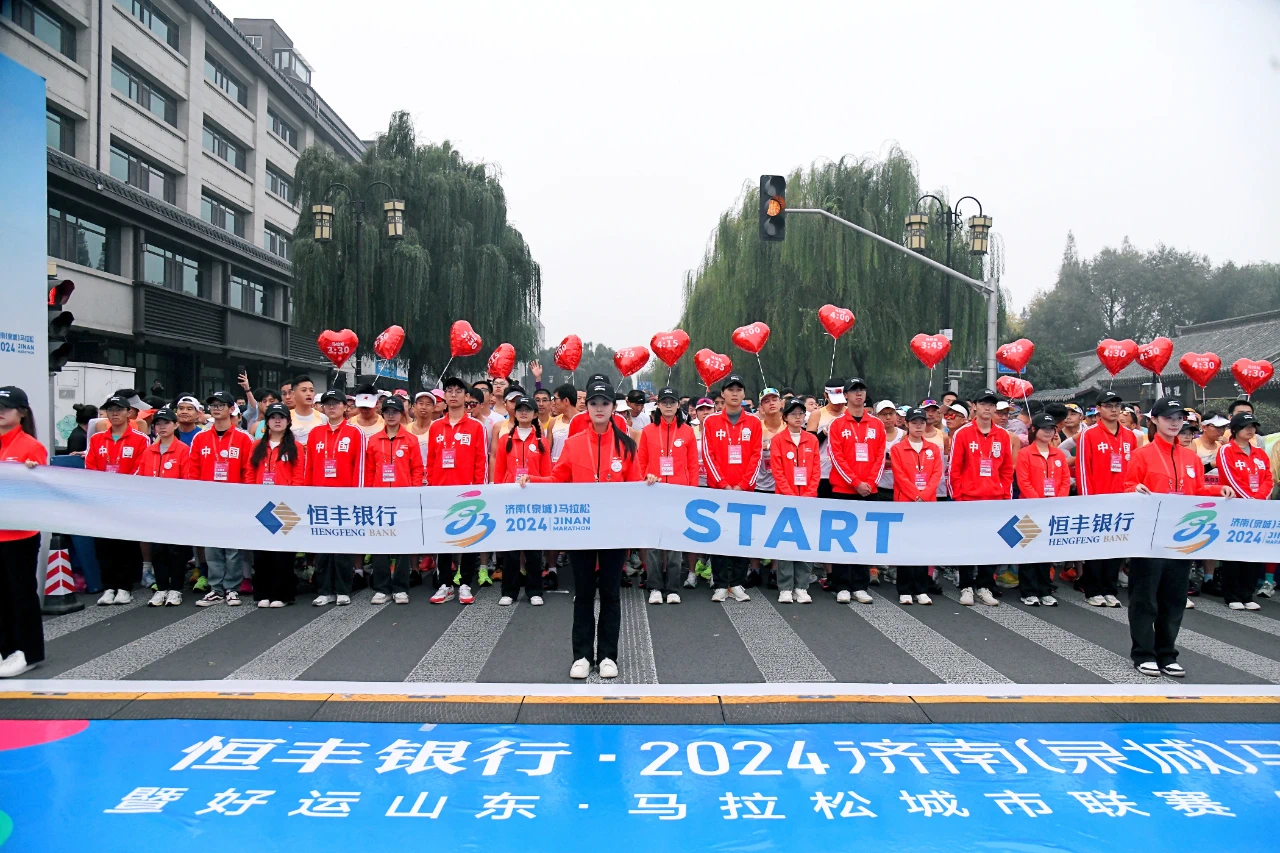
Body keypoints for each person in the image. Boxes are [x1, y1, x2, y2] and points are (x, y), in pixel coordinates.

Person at [519, 379, 644, 680]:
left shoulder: (627, 446)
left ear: (614, 408)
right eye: (594, 404)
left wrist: (649, 483)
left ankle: (608, 656)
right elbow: (557, 480)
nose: (599, 408)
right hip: (582, 530)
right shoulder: (574, 444)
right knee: (584, 593)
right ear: (586, 408)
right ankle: (583, 656)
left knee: (611, 594)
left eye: (605, 403)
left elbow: (637, 488)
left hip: (614, 531)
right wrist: (532, 481)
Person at [1125, 397, 1235, 677]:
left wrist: (1218, 490)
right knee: (1145, 598)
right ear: (1154, 420)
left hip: (1181, 538)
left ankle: (1167, 653)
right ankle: (1143, 654)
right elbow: (1126, 487)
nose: (1174, 423)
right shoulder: (1142, 454)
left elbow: (1197, 491)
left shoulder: (1190, 458)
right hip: (1149, 539)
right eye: (1168, 418)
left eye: (1179, 418)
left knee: (1174, 598)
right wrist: (1133, 489)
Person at [185, 391, 255, 607]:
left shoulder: (244, 438)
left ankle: (232, 588)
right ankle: (216, 588)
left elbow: (249, 470)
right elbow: (193, 469)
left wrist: (245, 497)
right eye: (213, 405)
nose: (216, 408)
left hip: (234, 500)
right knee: (212, 546)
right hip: (209, 500)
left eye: (221, 405)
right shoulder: (201, 437)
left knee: (233, 548)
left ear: (232, 409)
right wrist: (196, 496)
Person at [299, 388, 368, 606]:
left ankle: (343, 589)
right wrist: (308, 493)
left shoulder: (355, 433)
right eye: (327, 403)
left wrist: (356, 495)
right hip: (320, 498)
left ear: (345, 407)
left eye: (336, 403)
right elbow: (309, 467)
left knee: (342, 547)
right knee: (323, 547)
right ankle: (325, 590)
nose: (331, 407)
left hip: (345, 498)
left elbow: (360, 466)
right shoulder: (315, 433)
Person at [947, 389, 1013, 607]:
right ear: (974, 406)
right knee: (967, 542)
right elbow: (954, 469)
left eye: (991, 404)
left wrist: (1005, 497)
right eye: (983, 404)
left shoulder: (1002, 435)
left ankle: (985, 585)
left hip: (994, 499)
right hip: (968, 498)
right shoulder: (963, 434)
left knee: (990, 543)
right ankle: (966, 585)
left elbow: (1006, 470)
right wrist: (958, 498)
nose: (987, 408)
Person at [700, 374, 762, 603]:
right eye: (730, 389)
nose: (735, 393)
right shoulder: (711, 421)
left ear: (744, 394)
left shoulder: (754, 422)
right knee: (718, 536)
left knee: (741, 537)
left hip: (744, 491)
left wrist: (743, 485)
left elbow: (756, 456)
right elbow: (708, 455)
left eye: (739, 389)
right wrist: (723, 484)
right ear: (723, 394)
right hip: (719, 490)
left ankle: (736, 582)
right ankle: (719, 583)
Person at [427, 377, 489, 605]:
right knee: (443, 539)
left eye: (458, 391)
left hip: (467, 492)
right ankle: (445, 584)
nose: (453, 395)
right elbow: (431, 461)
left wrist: (479, 490)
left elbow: (481, 461)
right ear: (444, 396)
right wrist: (431, 488)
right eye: (449, 391)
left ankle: (465, 583)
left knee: (467, 538)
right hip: (441, 491)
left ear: (466, 396)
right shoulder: (436, 427)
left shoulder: (476, 427)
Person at [0, 387, 48, 677]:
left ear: (22, 412)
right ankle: (6, 649)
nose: (0, 412)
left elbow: (43, 489)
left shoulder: (31, 446)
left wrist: (33, 473)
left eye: (6, 406)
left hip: (20, 535)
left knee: (21, 594)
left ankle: (28, 652)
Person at [86, 394, 151, 604]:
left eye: (119, 410)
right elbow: (90, 466)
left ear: (129, 413)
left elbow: (141, 467)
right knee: (104, 543)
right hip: (103, 499)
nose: (114, 414)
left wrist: (121, 487)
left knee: (125, 543)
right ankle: (109, 586)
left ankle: (125, 587)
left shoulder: (140, 439)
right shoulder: (96, 439)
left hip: (127, 499)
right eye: (110, 410)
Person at [637, 386, 699, 604]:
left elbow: (693, 465)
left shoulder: (687, 432)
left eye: (672, 402)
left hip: (678, 494)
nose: (669, 406)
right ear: (658, 405)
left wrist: (691, 491)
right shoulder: (648, 431)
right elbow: (641, 462)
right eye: (665, 402)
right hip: (654, 492)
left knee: (674, 543)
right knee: (655, 543)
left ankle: (673, 587)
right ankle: (655, 586)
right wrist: (645, 477)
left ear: (678, 405)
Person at [826, 378, 885, 604]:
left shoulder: (877, 425)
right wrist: (855, 482)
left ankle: (860, 585)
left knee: (864, 538)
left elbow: (880, 457)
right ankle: (841, 585)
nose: (858, 394)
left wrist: (869, 483)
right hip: (844, 489)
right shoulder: (837, 424)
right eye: (853, 391)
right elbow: (836, 457)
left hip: (869, 490)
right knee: (841, 539)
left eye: (861, 390)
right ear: (846, 396)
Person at [1075, 390, 1135, 607]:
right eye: (1108, 406)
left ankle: (1110, 589)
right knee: (1096, 546)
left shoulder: (1129, 436)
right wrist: (1088, 500)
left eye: (1117, 405)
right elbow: (1083, 469)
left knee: (1116, 545)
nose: (1114, 410)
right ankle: (1093, 590)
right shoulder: (1089, 435)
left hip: (1122, 500)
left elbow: (1133, 469)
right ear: (1098, 409)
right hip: (1098, 499)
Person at [242, 402, 304, 608]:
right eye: (273, 417)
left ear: (288, 421)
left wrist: (292, 500)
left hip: (285, 506)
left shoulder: (295, 447)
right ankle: (263, 593)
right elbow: (250, 473)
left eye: (282, 417)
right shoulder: (257, 446)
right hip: (262, 505)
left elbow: (298, 476)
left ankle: (282, 594)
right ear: (266, 422)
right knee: (262, 551)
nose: (277, 421)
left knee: (283, 552)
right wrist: (252, 496)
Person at [364, 395, 424, 605]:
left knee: (402, 545)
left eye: (395, 412)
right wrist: (369, 495)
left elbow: (417, 469)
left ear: (402, 414)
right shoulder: (374, 440)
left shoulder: (410, 440)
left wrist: (413, 494)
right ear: (382, 414)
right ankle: (381, 587)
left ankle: (400, 587)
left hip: (403, 498)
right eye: (387, 412)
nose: (391, 416)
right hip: (379, 499)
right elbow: (369, 470)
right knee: (380, 544)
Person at [491, 395, 549, 607]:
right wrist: (498, 496)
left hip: (533, 500)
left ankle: (535, 590)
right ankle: (509, 591)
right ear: (514, 413)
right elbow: (499, 472)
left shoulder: (542, 442)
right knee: (511, 549)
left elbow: (547, 474)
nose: (524, 413)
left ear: (535, 414)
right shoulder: (505, 440)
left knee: (533, 548)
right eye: (520, 409)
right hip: (511, 500)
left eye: (528, 409)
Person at [134, 407, 191, 606]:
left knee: (176, 549)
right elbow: (142, 478)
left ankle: (176, 588)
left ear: (175, 425)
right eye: (158, 424)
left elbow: (187, 480)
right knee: (158, 550)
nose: (162, 427)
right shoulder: (149, 451)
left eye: (166, 423)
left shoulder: (183, 450)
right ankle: (161, 587)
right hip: (155, 509)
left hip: (176, 509)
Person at [1214, 411, 1271, 611]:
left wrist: (1259, 499)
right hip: (1234, 507)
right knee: (1233, 552)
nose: (1250, 430)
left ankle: (1247, 594)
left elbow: (1268, 479)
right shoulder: (1226, 451)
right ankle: (1231, 595)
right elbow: (1230, 478)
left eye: (1253, 426)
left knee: (1252, 551)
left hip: (1256, 508)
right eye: (1246, 426)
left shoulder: (1260, 453)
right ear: (1235, 429)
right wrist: (1249, 500)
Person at [1014, 413, 1072, 606]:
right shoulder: (1025, 453)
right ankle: (1029, 591)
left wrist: (1057, 501)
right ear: (1034, 430)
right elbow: (1023, 481)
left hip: (1052, 510)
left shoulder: (1058, 455)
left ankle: (1045, 589)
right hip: (1030, 509)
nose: (1048, 432)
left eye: (1051, 428)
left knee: (1046, 551)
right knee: (1029, 550)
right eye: (1044, 428)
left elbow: (1065, 480)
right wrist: (1039, 502)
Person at [890, 407, 943, 605]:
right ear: (907, 424)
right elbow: (900, 476)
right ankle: (904, 589)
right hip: (906, 502)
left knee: (923, 546)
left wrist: (925, 495)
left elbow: (936, 474)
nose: (918, 426)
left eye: (922, 422)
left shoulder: (933, 449)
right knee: (905, 545)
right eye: (914, 423)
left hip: (927, 504)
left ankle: (921, 588)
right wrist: (915, 495)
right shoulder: (897, 449)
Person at [770, 398, 820, 603]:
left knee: (805, 542)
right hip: (785, 498)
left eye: (801, 413)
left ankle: (802, 586)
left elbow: (815, 471)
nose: (798, 417)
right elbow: (778, 471)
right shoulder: (778, 440)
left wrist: (808, 494)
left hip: (807, 499)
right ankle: (785, 586)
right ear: (785, 417)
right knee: (785, 542)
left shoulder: (811, 440)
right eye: (793, 414)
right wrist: (790, 494)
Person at [806, 377, 847, 498]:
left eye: (841, 400)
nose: (839, 404)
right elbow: (808, 445)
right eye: (835, 401)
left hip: (845, 472)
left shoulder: (850, 413)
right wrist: (825, 432)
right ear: (826, 396)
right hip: (823, 471)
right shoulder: (817, 414)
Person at [288, 376, 326, 442]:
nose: (309, 394)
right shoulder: (286, 417)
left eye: (311, 390)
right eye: (304, 390)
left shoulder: (323, 418)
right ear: (293, 394)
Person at [406, 391, 436, 464]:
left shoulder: (437, 428)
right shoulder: (407, 429)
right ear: (414, 406)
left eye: (428, 404)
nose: (424, 407)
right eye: (421, 403)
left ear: (434, 408)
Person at [549, 384, 576, 462]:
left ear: (566, 401)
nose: (553, 403)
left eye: (555, 399)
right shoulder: (553, 421)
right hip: (556, 466)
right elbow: (547, 451)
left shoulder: (583, 420)